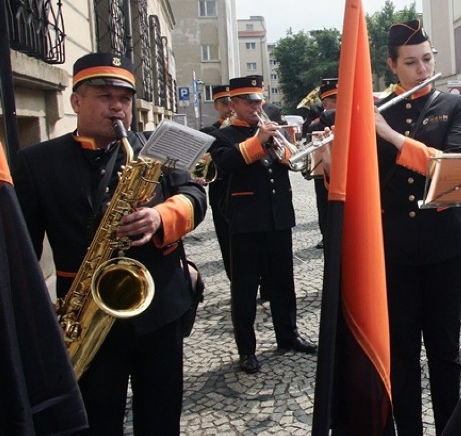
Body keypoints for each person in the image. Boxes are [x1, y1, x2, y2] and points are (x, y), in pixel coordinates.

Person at [13, 52, 208, 434]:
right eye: (104, 97)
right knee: (97, 420)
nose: (117, 107)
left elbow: (193, 195)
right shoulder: (36, 162)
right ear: (76, 101)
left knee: (162, 414)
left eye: (125, 98)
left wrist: (160, 216)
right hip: (85, 314)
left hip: (161, 308)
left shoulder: (159, 145)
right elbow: (25, 249)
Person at [373, 19, 461, 435]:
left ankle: (449, 427)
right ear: (392, 65)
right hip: (395, 251)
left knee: (445, 351)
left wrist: (391, 137)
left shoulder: (455, 106)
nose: (423, 70)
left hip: (446, 247)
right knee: (401, 354)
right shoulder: (376, 110)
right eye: (412, 62)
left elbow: (451, 169)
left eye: (428, 60)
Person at [210, 76, 316, 375]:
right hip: (245, 222)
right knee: (244, 288)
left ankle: (288, 335)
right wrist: (258, 141)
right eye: (248, 101)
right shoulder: (224, 135)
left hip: (278, 217)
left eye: (259, 100)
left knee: (284, 281)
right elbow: (226, 163)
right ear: (232, 104)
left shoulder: (272, 132)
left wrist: (288, 146)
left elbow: (293, 163)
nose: (257, 107)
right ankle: (247, 350)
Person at [200, 84, 233, 278]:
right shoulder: (208, 131)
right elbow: (202, 165)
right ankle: (234, 279)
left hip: (241, 190)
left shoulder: (246, 130)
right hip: (220, 189)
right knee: (225, 237)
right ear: (216, 106)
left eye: (231, 102)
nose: (228, 107)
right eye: (224, 103)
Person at [302, 78, 338, 249]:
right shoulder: (318, 114)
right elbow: (308, 135)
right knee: (324, 204)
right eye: (335, 100)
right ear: (325, 102)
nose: (339, 102)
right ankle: (327, 235)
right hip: (323, 169)